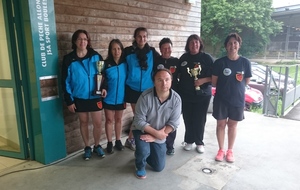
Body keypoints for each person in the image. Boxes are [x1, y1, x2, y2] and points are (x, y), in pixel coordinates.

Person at [61, 29, 106, 160]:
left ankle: (97, 145)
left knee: (97, 123)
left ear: (88, 41)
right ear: (75, 41)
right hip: (79, 97)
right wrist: (69, 100)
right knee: (84, 122)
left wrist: (103, 87)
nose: (83, 41)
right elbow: (65, 81)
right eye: (80, 39)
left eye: (85, 39)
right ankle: (87, 147)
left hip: (95, 96)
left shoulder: (96, 56)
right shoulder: (69, 59)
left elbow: (103, 75)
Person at [132, 68, 182, 179]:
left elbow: (174, 123)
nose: (164, 83)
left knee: (159, 167)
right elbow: (138, 120)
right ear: (154, 82)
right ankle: (139, 164)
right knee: (144, 150)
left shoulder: (176, 99)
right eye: (160, 80)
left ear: (171, 81)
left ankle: (143, 153)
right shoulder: (145, 96)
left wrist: (157, 136)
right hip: (142, 130)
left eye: (167, 80)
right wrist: (156, 134)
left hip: (161, 132)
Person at [212, 33, 252, 163]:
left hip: (237, 99)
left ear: (239, 45)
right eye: (229, 43)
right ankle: (221, 150)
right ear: (226, 46)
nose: (232, 45)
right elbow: (214, 82)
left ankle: (230, 151)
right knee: (221, 124)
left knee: (233, 125)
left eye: (235, 43)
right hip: (221, 99)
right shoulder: (219, 62)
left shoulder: (245, 62)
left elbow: (246, 81)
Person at [124, 27, 160, 151]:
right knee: (138, 116)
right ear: (135, 37)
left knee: (142, 116)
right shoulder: (128, 52)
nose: (142, 39)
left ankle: (130, 139)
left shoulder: (152, 52)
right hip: (132, 89)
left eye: (144, 36)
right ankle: (132, 140)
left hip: (147, 89)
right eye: (139, 36)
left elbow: (159, 67)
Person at [178, 34, 214, 153]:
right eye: (192, 42)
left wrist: (203, 80)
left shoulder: (207, 58)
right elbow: (177, 75)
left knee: (200, 118)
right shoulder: (183, 58)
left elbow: (214, 77)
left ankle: (199, 142)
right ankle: (189, 140)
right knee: (187, 118)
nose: (194, 44)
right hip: (186, 94)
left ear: (200, 44)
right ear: (188, 45)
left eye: (196, 42)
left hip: (203, 95)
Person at [154, 38, 179, 155]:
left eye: (169, 48)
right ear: (160, 49)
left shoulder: (176, 61)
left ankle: (170, 145)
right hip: (158, 95)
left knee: (171, 121)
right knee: (158, 120)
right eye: (164, 48)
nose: (167, 50)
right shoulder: (155, 60)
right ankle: (159, 141)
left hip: (172, 96)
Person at [102, 39, 127, 154]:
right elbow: (101, 80)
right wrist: (103, 88)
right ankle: (109, 142)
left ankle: (118, 140)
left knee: (118, 120)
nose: (116, 51)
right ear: (110, 50)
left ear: (121, 50)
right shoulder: (105, 64)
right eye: (114, 49)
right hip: (109, 98)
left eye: (118, 48)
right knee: (109, 120)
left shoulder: (125, 64)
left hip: (121, 98)